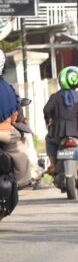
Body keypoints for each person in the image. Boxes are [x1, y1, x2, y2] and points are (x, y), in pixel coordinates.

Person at [43, 66, 78, 189]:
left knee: (49, 140)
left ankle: (53, 165)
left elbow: (46, 110)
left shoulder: (55, 97)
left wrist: (49, 120)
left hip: (58, 135)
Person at [0, 50, 32, 188]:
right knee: (21, 153)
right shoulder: (7, 88)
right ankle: (20, 182)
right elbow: (15, 116)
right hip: (4, 133)